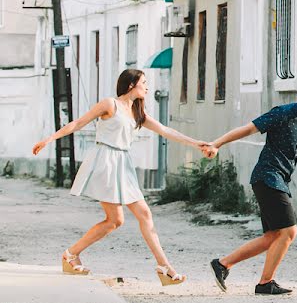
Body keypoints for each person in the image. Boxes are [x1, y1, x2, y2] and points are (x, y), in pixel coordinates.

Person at [32, 68, 207, 286]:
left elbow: (165, 130)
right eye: (144, 82)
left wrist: (197, 143)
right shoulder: (109, 104)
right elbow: (79, 123)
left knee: (133, 216)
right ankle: (71, 255)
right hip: (105, 161)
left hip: (123, 164)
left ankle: (163, 268)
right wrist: (50, 139)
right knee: (117, 220)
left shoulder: (137, 112)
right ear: (131, 84)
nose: (147, 86)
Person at [202, 78, 297, 295]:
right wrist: (217, 143)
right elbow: (248, 129)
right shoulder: (283, 113)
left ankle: (223, 264)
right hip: (267, 176)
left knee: (273, 237)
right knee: (289, 231)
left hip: (278, 180)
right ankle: (265, 282)